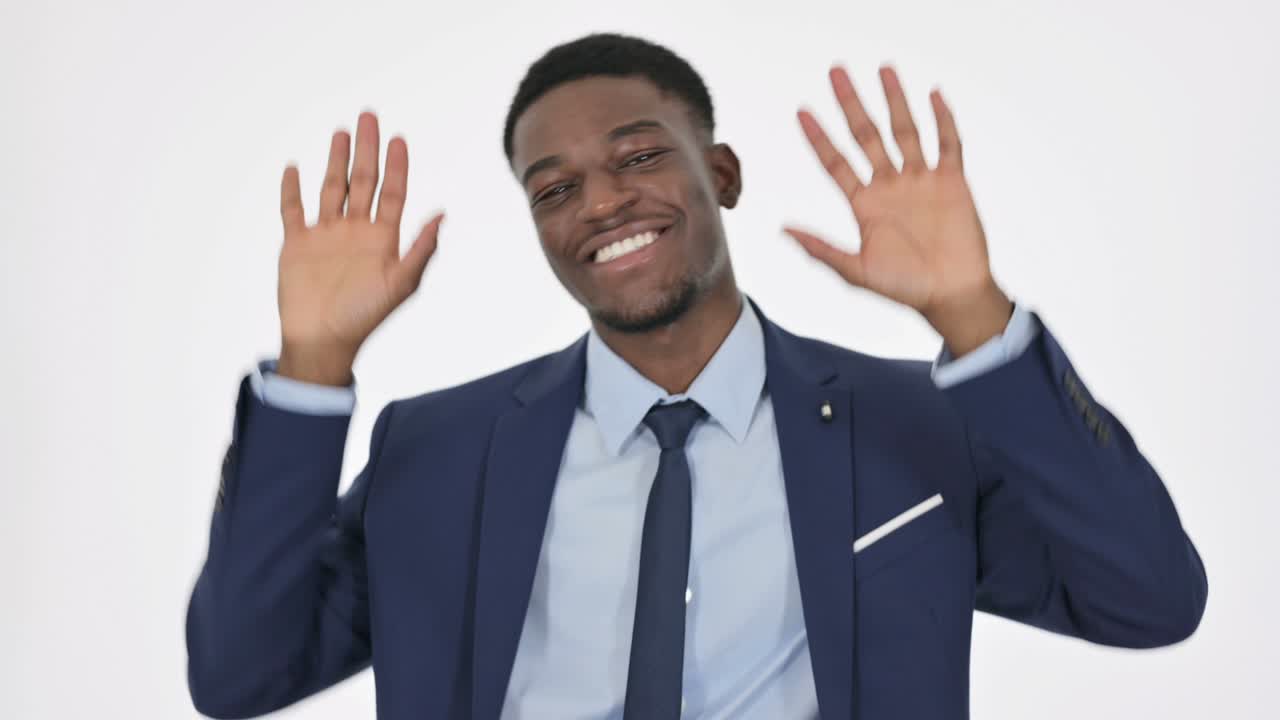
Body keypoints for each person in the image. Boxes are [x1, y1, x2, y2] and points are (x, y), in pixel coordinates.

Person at [185, 32, 1207, 720]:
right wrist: (313, 365)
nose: (600, 201)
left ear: (718, 174)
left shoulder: (910, 430)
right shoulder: (440, 452)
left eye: (638, 157)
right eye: (555, 187)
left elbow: (1148, 600)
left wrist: (971, 318)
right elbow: (238, 673)